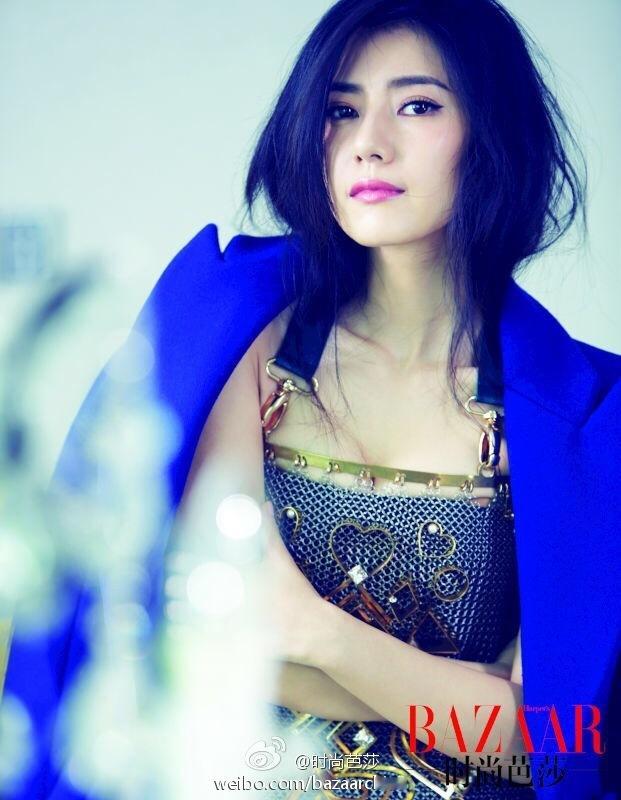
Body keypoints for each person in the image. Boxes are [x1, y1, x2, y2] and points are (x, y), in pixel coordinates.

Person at [2, 1, 619, 798]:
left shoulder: (582, 419)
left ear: (493, 133)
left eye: (417, 106)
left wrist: (316, 633)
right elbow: (191, 640)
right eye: (341, 109)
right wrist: (464, 699)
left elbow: (550, 745)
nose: (368, 142)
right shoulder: (241, 334)